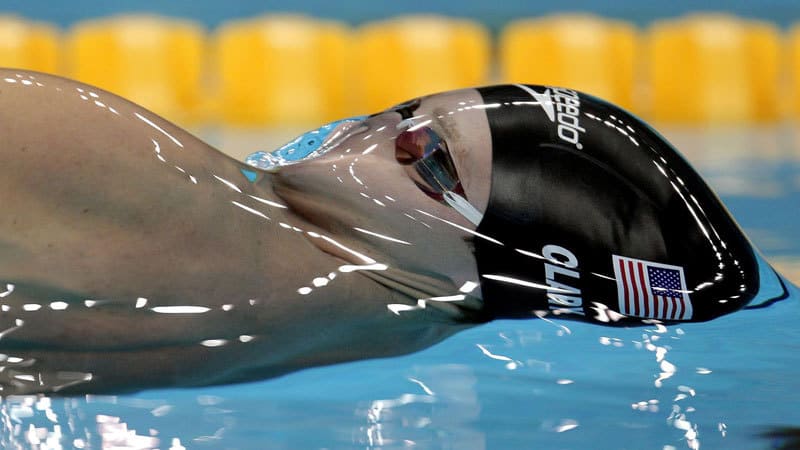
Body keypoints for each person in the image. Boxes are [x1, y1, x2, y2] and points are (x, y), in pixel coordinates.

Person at [0, 69, 790, 395]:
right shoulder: (374, 339)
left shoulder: (103, 154)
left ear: (485, 274)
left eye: (433, 164)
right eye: (412, 112)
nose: (396, 129)